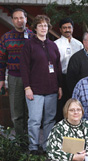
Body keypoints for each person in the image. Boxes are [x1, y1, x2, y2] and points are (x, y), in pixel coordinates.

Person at [20, 15, 62, 154]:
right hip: (35, 90)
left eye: (45, 26)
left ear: (48, 28)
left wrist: (59, 86)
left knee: (50, 120)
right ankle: (33, 146)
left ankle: (47, 146)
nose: (43, 28)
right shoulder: (29, 45)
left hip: (52, 89)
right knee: (35, 120)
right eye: (40, 25)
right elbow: (24, 68)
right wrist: (27, 88)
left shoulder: (53, 45)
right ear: (35, 28)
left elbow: (58, 67)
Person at [0, 8, 34, 138]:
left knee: (31, 112)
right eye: (16, 18)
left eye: (21, 18)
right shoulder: (6, 38)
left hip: (32, 78)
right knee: (16, 112)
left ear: (26, 19)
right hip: (14, 77)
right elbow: (1, 60)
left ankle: (31, 141)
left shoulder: (33, 36)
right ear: (13, 20)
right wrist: (1, 79)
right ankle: (21, 141)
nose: (19, 21)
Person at [55, 17, 83, 122]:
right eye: (64, 28)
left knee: (75, 101)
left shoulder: (79, 44)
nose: (67, 30)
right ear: (60, 30)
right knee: (62, 103)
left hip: (76, 78)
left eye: (69, 27)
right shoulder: (56, 44)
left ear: (73, 29)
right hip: (62, 77)